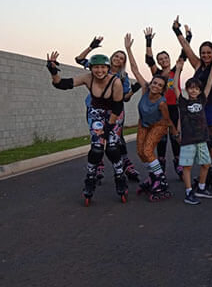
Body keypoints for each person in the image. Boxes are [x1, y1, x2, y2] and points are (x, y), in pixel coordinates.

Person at [46, 51, 127, 206]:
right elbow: (62, 84)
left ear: (107, 68)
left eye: (103, 68)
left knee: (111, 148)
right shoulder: (87, 78)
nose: (99, 71)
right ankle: (90, 178)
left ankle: (119, 176)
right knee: (97, 149)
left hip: (114, 114)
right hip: (96, 112)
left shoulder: (115, 82)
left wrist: (109, 127)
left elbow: (118, 106)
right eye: (96, 68)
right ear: (90, 68)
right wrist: (53, 71)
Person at [173, 11, 212, 191]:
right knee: (206, 141)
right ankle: (209, 171)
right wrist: (177, 31)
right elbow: (186, 48)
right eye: (203, 52)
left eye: (208, 52)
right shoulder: (198, 65)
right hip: (200, 108)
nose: (205, 55)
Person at [74, 36, 141, 183]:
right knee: (97, 140)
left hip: (113, 111)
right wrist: (91, 47)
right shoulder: (99, 67)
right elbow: (79, 59)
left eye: (122, 58)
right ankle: (98, 165)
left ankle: (125, 164)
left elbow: (125, 98)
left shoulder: (123, 77)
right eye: (116, 56)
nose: (118, 59)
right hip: (95, 109)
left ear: (124, 62)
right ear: (111, 58)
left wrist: (133, 91)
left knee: (116, 140)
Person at [124, 33, 179, 202]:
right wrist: (128, 49)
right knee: (141, 153)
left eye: (159, 85)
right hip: (144, 124)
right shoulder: (146, 88)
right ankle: (154, 176)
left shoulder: (162, 103)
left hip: (159, 125)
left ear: (163, 89)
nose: (155, 86)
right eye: (154, 83)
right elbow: (135, 69)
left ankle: (160, 179)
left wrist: (175, 132)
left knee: (148, 150)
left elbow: (168, 120)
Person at [144, 26, 192, 179]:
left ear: (169, 60)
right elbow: (148, 60)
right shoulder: (157, 74)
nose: (163, 60)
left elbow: (184, 54)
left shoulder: (175, 71)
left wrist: (188, 37)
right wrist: (149, 42)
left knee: (175, 136)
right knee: (161, 138)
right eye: (161, 59)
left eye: (165, 58)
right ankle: (161, 167)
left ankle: (178, 165)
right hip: (161, 109)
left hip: (175, 108)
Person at [173, 58, 212, 204]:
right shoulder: (183, 102)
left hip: (202, 138)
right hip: (188, 140)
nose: (193, 90)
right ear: (187, 89)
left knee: (206, 164)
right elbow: (175, 87)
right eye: (190, 88)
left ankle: (201, 188)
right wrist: (178, 69)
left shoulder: (202, 100)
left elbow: (209, 84)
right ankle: (188, 192)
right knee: (187, 166)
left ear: (199, 90)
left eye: (196, 88)